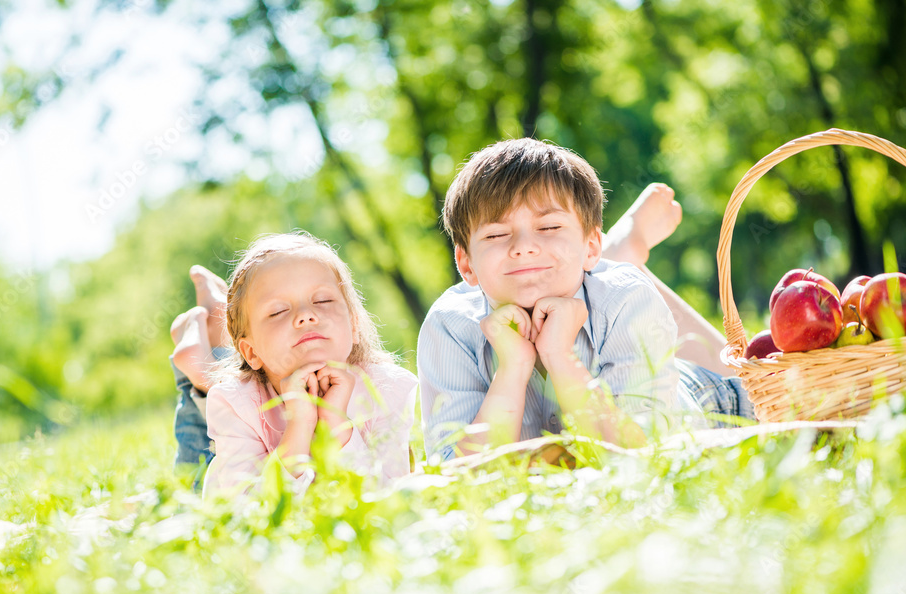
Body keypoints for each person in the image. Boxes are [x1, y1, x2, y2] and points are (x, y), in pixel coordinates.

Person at [418, 138, 754, 462]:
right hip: (610, 334)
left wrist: (561, 356)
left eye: (548, 227)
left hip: (705, 402)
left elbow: (641, 457)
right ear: (466, 264)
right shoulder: (450, 326)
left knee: (755, 381)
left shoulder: (626, 299)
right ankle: (620, 250)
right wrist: (512, 368)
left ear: (591, 246)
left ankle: (621, 254)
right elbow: (456, 476)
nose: (523, 246)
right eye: (496, 234)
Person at [169, 232, 417, 496]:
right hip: (223, 455)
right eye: (278, 311)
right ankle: (199, 367)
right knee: (190, 493)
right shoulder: (235, 403)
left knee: (211, 382)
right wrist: (299, 425)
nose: (306, 315)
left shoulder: (388, 388)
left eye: (322, 300)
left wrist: (336, 424)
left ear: (354, 324)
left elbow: (388, 495)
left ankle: (208, 354)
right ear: (251, 352)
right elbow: (240, 510)